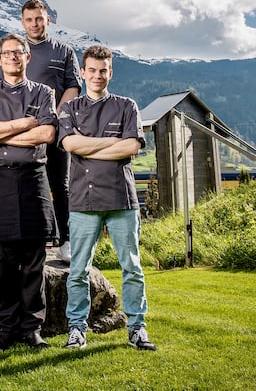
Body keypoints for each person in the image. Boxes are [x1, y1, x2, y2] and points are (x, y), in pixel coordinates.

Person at [58, 44, 157, 351]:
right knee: (78, 270)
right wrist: (110, 143)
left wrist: (90, 146)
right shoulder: (70, 109)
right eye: (92, 70)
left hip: (121, 199)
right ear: (83, 73)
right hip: (83, 202)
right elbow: (70, 144)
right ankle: (76, 329)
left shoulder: (127, 106)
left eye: (103, 71)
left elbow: (131, 148)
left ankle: (137, 328)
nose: (98, 76)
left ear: (110, 72)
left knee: (132, 267)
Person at [0, 33, 59, 350]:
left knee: (34, 262)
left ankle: (32, 329)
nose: (12, 57)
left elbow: (48, 134)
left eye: (18, 52)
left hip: (34, 180)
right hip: (0, 181)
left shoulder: (44, 92)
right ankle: (6, 328)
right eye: (6, 53)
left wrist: (2, 132)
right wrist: (27, 123)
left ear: (27, 57)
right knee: (2, 263)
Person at [0, 0, 81, 262]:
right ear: (22, 22)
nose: (34, 24)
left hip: (54, 130)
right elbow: (3, 90)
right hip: (22, 132)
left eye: (39, 19)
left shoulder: (64, 51)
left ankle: (66, 240)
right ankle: (35, 239)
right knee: (28, 184)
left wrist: (53, 116)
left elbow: (73, 87)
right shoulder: (13, 52)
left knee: (61, 184)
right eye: (29, 20)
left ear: (48, 19)